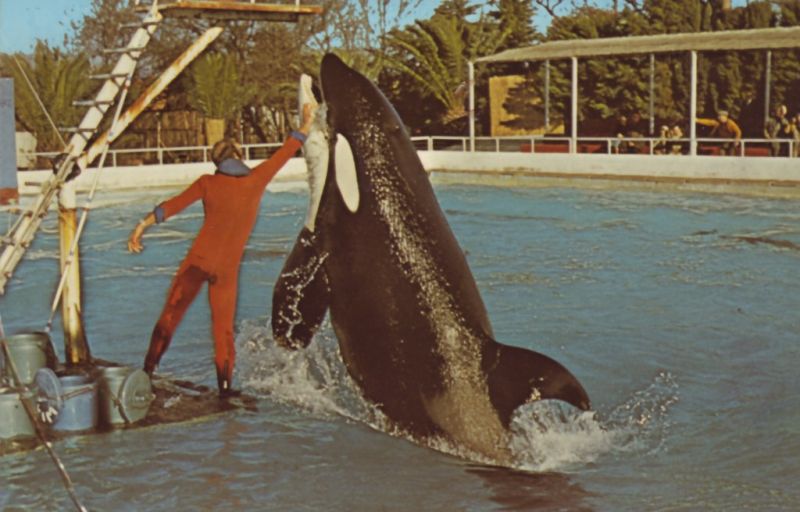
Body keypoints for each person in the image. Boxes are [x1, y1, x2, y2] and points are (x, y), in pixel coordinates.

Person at [127, 103, 317, 396]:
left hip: (197, 262)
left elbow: (172, 207)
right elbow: (287, 149)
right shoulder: (256, 180)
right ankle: (225, 391)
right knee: (223, 331)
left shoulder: (207, 183)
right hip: (227, 270)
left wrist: (141, 226)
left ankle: (147, 372)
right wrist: (306, 122)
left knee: (170, 317)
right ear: (239, 156)